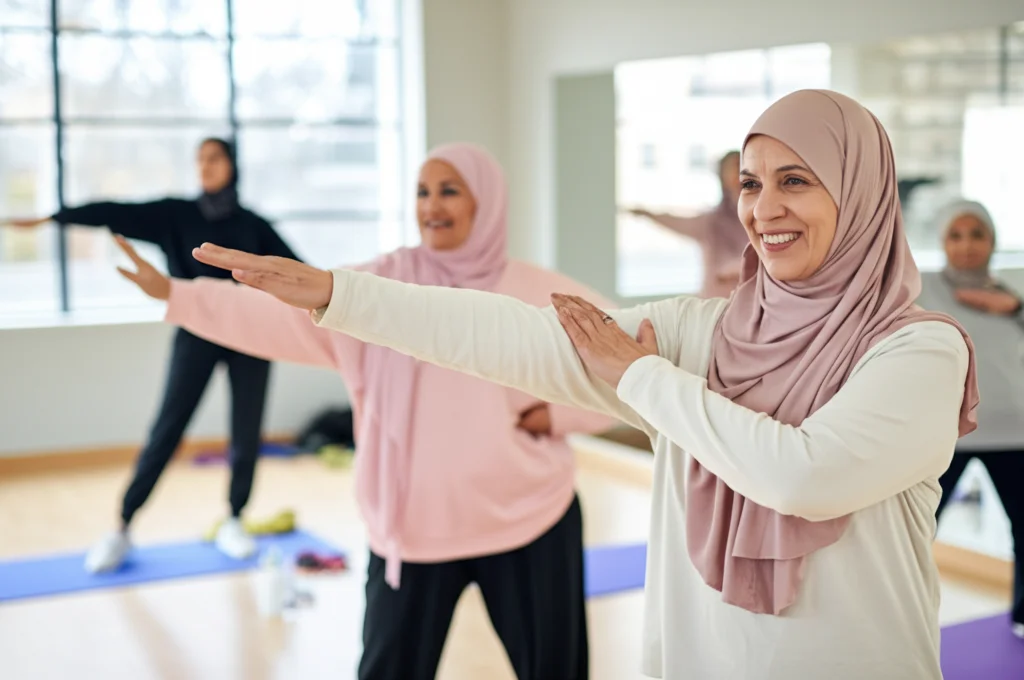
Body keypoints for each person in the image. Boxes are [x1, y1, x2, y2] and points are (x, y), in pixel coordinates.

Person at [185, 90, 983, 679]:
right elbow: (512, 333)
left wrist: (642, 379)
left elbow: (806, 477)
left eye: (796, 181)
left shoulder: (918, 353)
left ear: (864, 191)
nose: (762, 208)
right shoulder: (705, 329)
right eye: (750, 183)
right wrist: (339, 294)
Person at [114, 142, 617, 680]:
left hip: (527, 519)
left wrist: (560, 416)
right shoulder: (379, 285)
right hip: (411, 531)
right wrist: (176, 294)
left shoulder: (535, 289)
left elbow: (625, 353)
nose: (432, 206)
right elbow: (274, 314)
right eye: (423, 192)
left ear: (487, 202)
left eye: (450, 191)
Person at [7, 137, 300, 572]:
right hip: (196, 334)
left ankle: (235, 519)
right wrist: (52, 218)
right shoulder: (176, 215)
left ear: (232, 165)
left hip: (250, 337)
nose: (205, 166)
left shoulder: (253, 224)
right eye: (199, 159)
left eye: (214, 158)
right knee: (168, 427)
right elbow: (113, 211)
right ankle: (123, 525)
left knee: (246, 430)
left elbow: (296, 270)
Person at [916, 198, 1024, 638]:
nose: (966, 245)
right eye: (955, 235)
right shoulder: (918, 287)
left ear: (993, 241)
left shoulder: (1013, 292)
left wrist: (1014, 309)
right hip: (946, 433)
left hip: (1014, 431)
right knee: (915, 531)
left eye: (977, 234)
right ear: (941, 241)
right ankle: (908, 618)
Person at [627, 150, 748, 298]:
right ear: (723, 176)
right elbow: (678, 222)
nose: (741, 171)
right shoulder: (712, 221)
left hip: (750, 302)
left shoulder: (759, 215)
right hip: (717, 303)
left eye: (744, 164)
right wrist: (647, 214)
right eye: (735, 166)